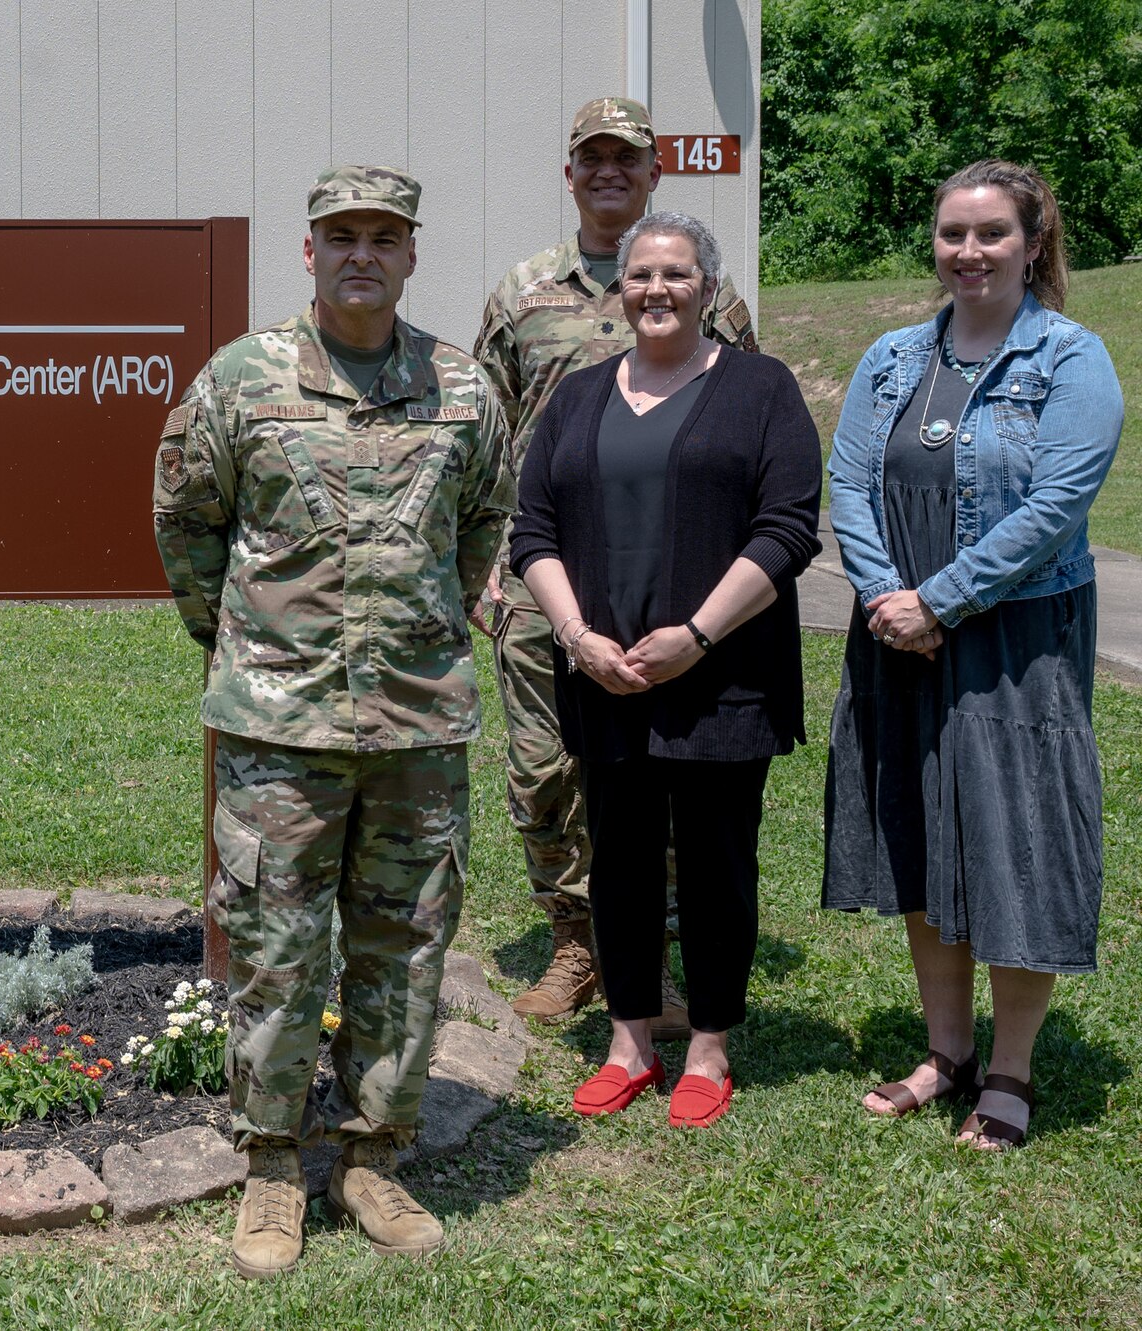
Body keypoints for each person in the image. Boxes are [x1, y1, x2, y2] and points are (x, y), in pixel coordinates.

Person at [154, 166, 514, 1278]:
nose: (362, 253)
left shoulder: (461, 388)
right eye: (340, 235)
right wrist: (245, 645)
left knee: (405, 942)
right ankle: (269, 1162)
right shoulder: (240, 379)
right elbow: (185, 518)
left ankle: (370, 1153)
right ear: (307, 251)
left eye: (383, 236)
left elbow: (484, 519)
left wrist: (427, 624)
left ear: (410, 253)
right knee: (272, 942)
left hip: (416, 723)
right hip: (278, 724)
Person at [822, 160, 1123, 1149]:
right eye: (952, 233)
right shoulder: (894, 356)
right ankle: (944, 1050)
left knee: (1011, 841)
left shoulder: (1070, 360)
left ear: (1032, 243)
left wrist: (939, 600)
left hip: (1014, 636)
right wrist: (884, 596)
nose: (967, 252)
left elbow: (1051, 509)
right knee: (917, 832)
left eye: (990, 233)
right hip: (895, 633)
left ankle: (1008, 1069)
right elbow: (849, 482)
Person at [508, 211, 822, 1128]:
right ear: (621, 288)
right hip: (607, 676)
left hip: (721, 676)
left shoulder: (760, 389)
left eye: (676, 274)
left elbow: (789, 527)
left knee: (720, 864)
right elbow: (535, 530)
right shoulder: (577, 397)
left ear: (707, 288)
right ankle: (630, 1039)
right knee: (623, 864)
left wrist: (699, 633)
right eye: (641, 274)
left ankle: (712, 1043)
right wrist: (576, 637)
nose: (656, 289)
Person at [474, 97, 760, 1037]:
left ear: (651, 175)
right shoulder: (522, 292)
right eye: (591, 158)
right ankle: (576, 942)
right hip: (542, 580)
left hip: (664, 581)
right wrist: (480, 563)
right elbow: (481, 436)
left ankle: (652, 953)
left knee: (658, 767)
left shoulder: (706, 290)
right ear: (570, 174)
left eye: (625, 160)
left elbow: (742, 430)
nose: (608, 173)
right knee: (546, 769)